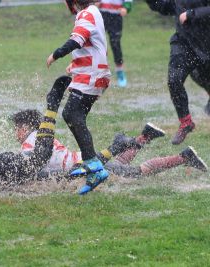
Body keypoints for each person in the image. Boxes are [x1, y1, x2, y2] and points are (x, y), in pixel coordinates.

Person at [11, 112, 207, 184]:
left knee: (137, 172)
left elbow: (31, 172)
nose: (14, 133)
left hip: (86, 166)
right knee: (119, 164)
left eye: (16, 128)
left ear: (25, 127)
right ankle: (144, 136)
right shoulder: (43, 136)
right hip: (85, 159)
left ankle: (185, 157)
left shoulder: (30, 144)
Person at [46, 0, 111, 194]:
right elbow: (93, 46)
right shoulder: (94, 12)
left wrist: (56, 54)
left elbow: (77, 40)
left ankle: (93, 165)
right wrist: (74, 66)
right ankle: (93, 170)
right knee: (76, 116)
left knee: (71, 114)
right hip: (92, 72)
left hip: (91, 74)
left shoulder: (86, 14)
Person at [145, 0, 210, 145]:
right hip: (184, 42)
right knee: (174, 79)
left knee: (203, 78)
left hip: (207, 43)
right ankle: (185, 122)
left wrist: (192, 14)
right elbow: (165, 7)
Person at [98, 0, 133, 87]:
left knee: (115, 44)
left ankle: (120, 71)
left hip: (116, 15)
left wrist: (126, 7)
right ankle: (98, 73)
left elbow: (128, 2)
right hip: (101, 14)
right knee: (98, 43)